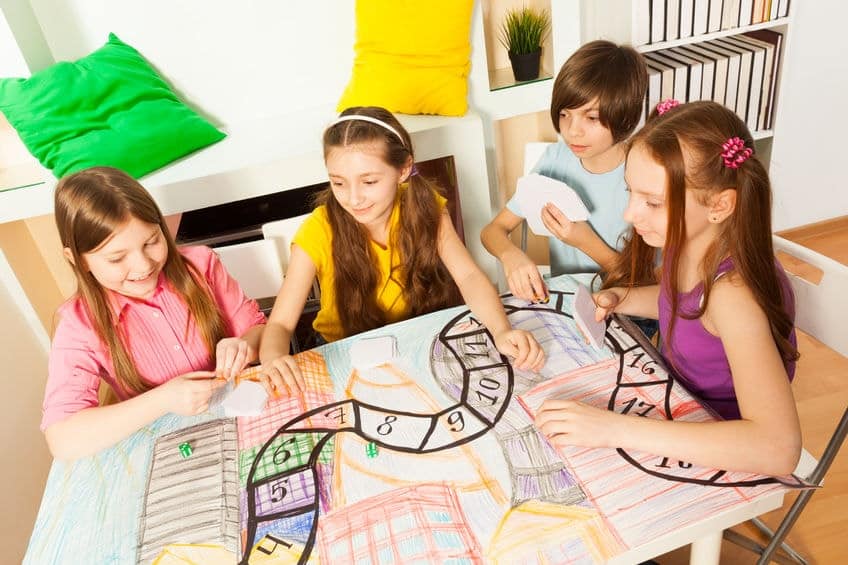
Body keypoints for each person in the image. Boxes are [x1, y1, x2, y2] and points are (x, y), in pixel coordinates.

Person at [535, 101, 802, 476]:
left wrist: (611, 428)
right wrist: (621, 299)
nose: (630, 214)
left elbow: (778, 450)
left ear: (719, 205)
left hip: (722, 447)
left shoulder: (733, 297)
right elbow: (681, 302)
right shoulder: (686, 241)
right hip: (676, 403)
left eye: (653, 202)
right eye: (631, 192)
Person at [260, 106, 546, 391]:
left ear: (404, 169)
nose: (354, 198)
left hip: (418, 339)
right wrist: (273, 358)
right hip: (345, 355)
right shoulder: (319, 229)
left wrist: (502, 330)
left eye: (369, 181)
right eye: (338, 183)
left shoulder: (426, 207)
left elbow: (469, 277)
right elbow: (280, 325)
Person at [42, 167, 266, 460]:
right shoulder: (79, 326)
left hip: (246, 422)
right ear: (78, 260)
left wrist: (245, 344)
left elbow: (262, 330)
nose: (143, 265)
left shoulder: (201, 265)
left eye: (151, 242)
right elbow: (63, 439)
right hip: (172, 450)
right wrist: (163, 399)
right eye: (117, 258)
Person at [481, 40, 648, 302]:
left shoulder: (645, 175)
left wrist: (582, 240)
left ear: (625, 115)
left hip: (624, 306)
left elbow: (648, 285)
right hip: (567, 301)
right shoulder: (555, 159)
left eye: (591, 118)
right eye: (564, 114)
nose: (572, 131)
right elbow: (493, 230)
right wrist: (510, 255)